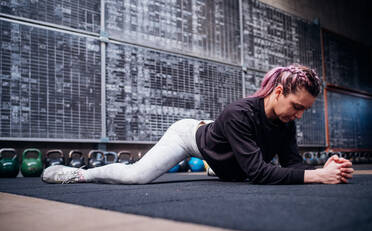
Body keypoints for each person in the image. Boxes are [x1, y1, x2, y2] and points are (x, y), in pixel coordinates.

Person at [42, 64, 353, 185]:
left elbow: (292, 163)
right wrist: (319, 176)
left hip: (224, 143)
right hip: (189, 137)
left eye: (304, 111)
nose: (298, 116)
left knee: (237, 164)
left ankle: (217, 164)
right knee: (136, 177)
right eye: (297, 107)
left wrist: (324, 168)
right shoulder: (239, 113)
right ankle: (79, 175)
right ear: (278, 92)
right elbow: (258, 172)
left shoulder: (286, 122)